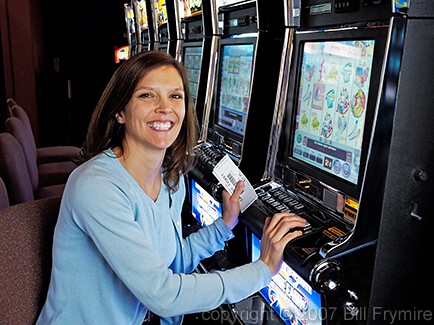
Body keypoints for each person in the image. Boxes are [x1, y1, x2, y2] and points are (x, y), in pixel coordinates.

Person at [36, 51, 306, 325]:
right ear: (119, 111)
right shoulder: (97, 186)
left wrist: (224, 225)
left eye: (175, 96)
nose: (165, 107)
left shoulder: (169, 179)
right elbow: (164, 295)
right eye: (147, 95)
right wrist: (263, 269)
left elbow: (173, 262)